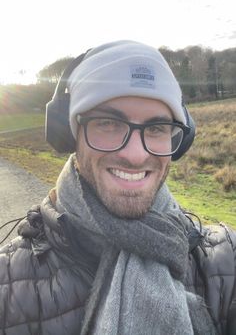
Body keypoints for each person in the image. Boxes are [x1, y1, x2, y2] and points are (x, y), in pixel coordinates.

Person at [0, 40, 235, 335]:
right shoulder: (7, 285)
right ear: (70, 134)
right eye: (108, 123)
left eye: (157, 128)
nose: (136, 155)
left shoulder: (225, 261)